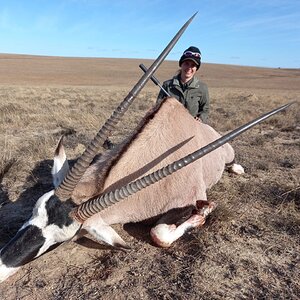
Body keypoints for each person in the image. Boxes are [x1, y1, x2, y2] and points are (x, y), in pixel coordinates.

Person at [157, 46, 209, 123]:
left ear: (196, 68)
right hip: (169, 126)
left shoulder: (202, 88)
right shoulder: (167, 85)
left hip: (192, 128)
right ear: (181, 64)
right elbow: (157, 108)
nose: (189, 68)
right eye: (186, 64)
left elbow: (205, 109)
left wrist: (201, 119)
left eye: (193, 65)